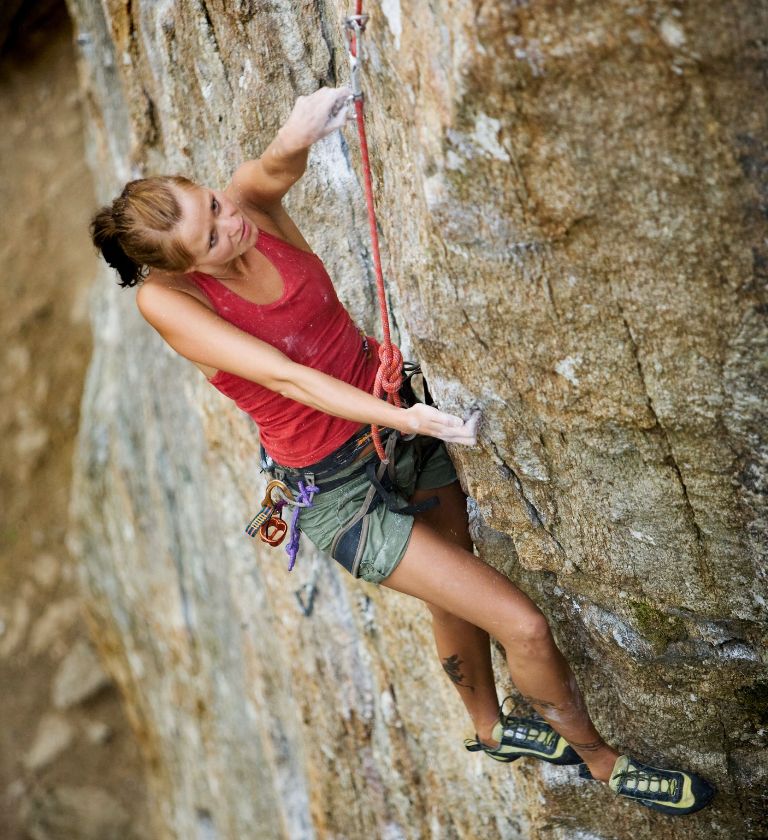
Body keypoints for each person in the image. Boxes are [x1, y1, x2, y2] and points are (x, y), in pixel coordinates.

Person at [90, 85, 714, 816]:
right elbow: (289, 378)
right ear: (183, 266)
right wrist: (407, 417)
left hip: (393, 432)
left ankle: (490, 728)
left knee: (455, 584)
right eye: (210, 238)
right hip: (340, 490)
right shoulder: (171, 302)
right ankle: (604, 764)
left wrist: (303, 126)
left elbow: (274, 164)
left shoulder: (247, 207)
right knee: (524, 625)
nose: (231, 224)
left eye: (214, 204)